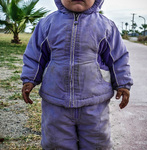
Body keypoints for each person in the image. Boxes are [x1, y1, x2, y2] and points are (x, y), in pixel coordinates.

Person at [21, 0, 133, 149]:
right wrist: (29, 79)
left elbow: (118, 58)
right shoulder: (46, 24)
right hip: (56, 103)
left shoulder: (106, 26)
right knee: (56, 143)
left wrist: (123, 84)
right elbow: (35, 55)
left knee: (97, 142)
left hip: (95, 103)